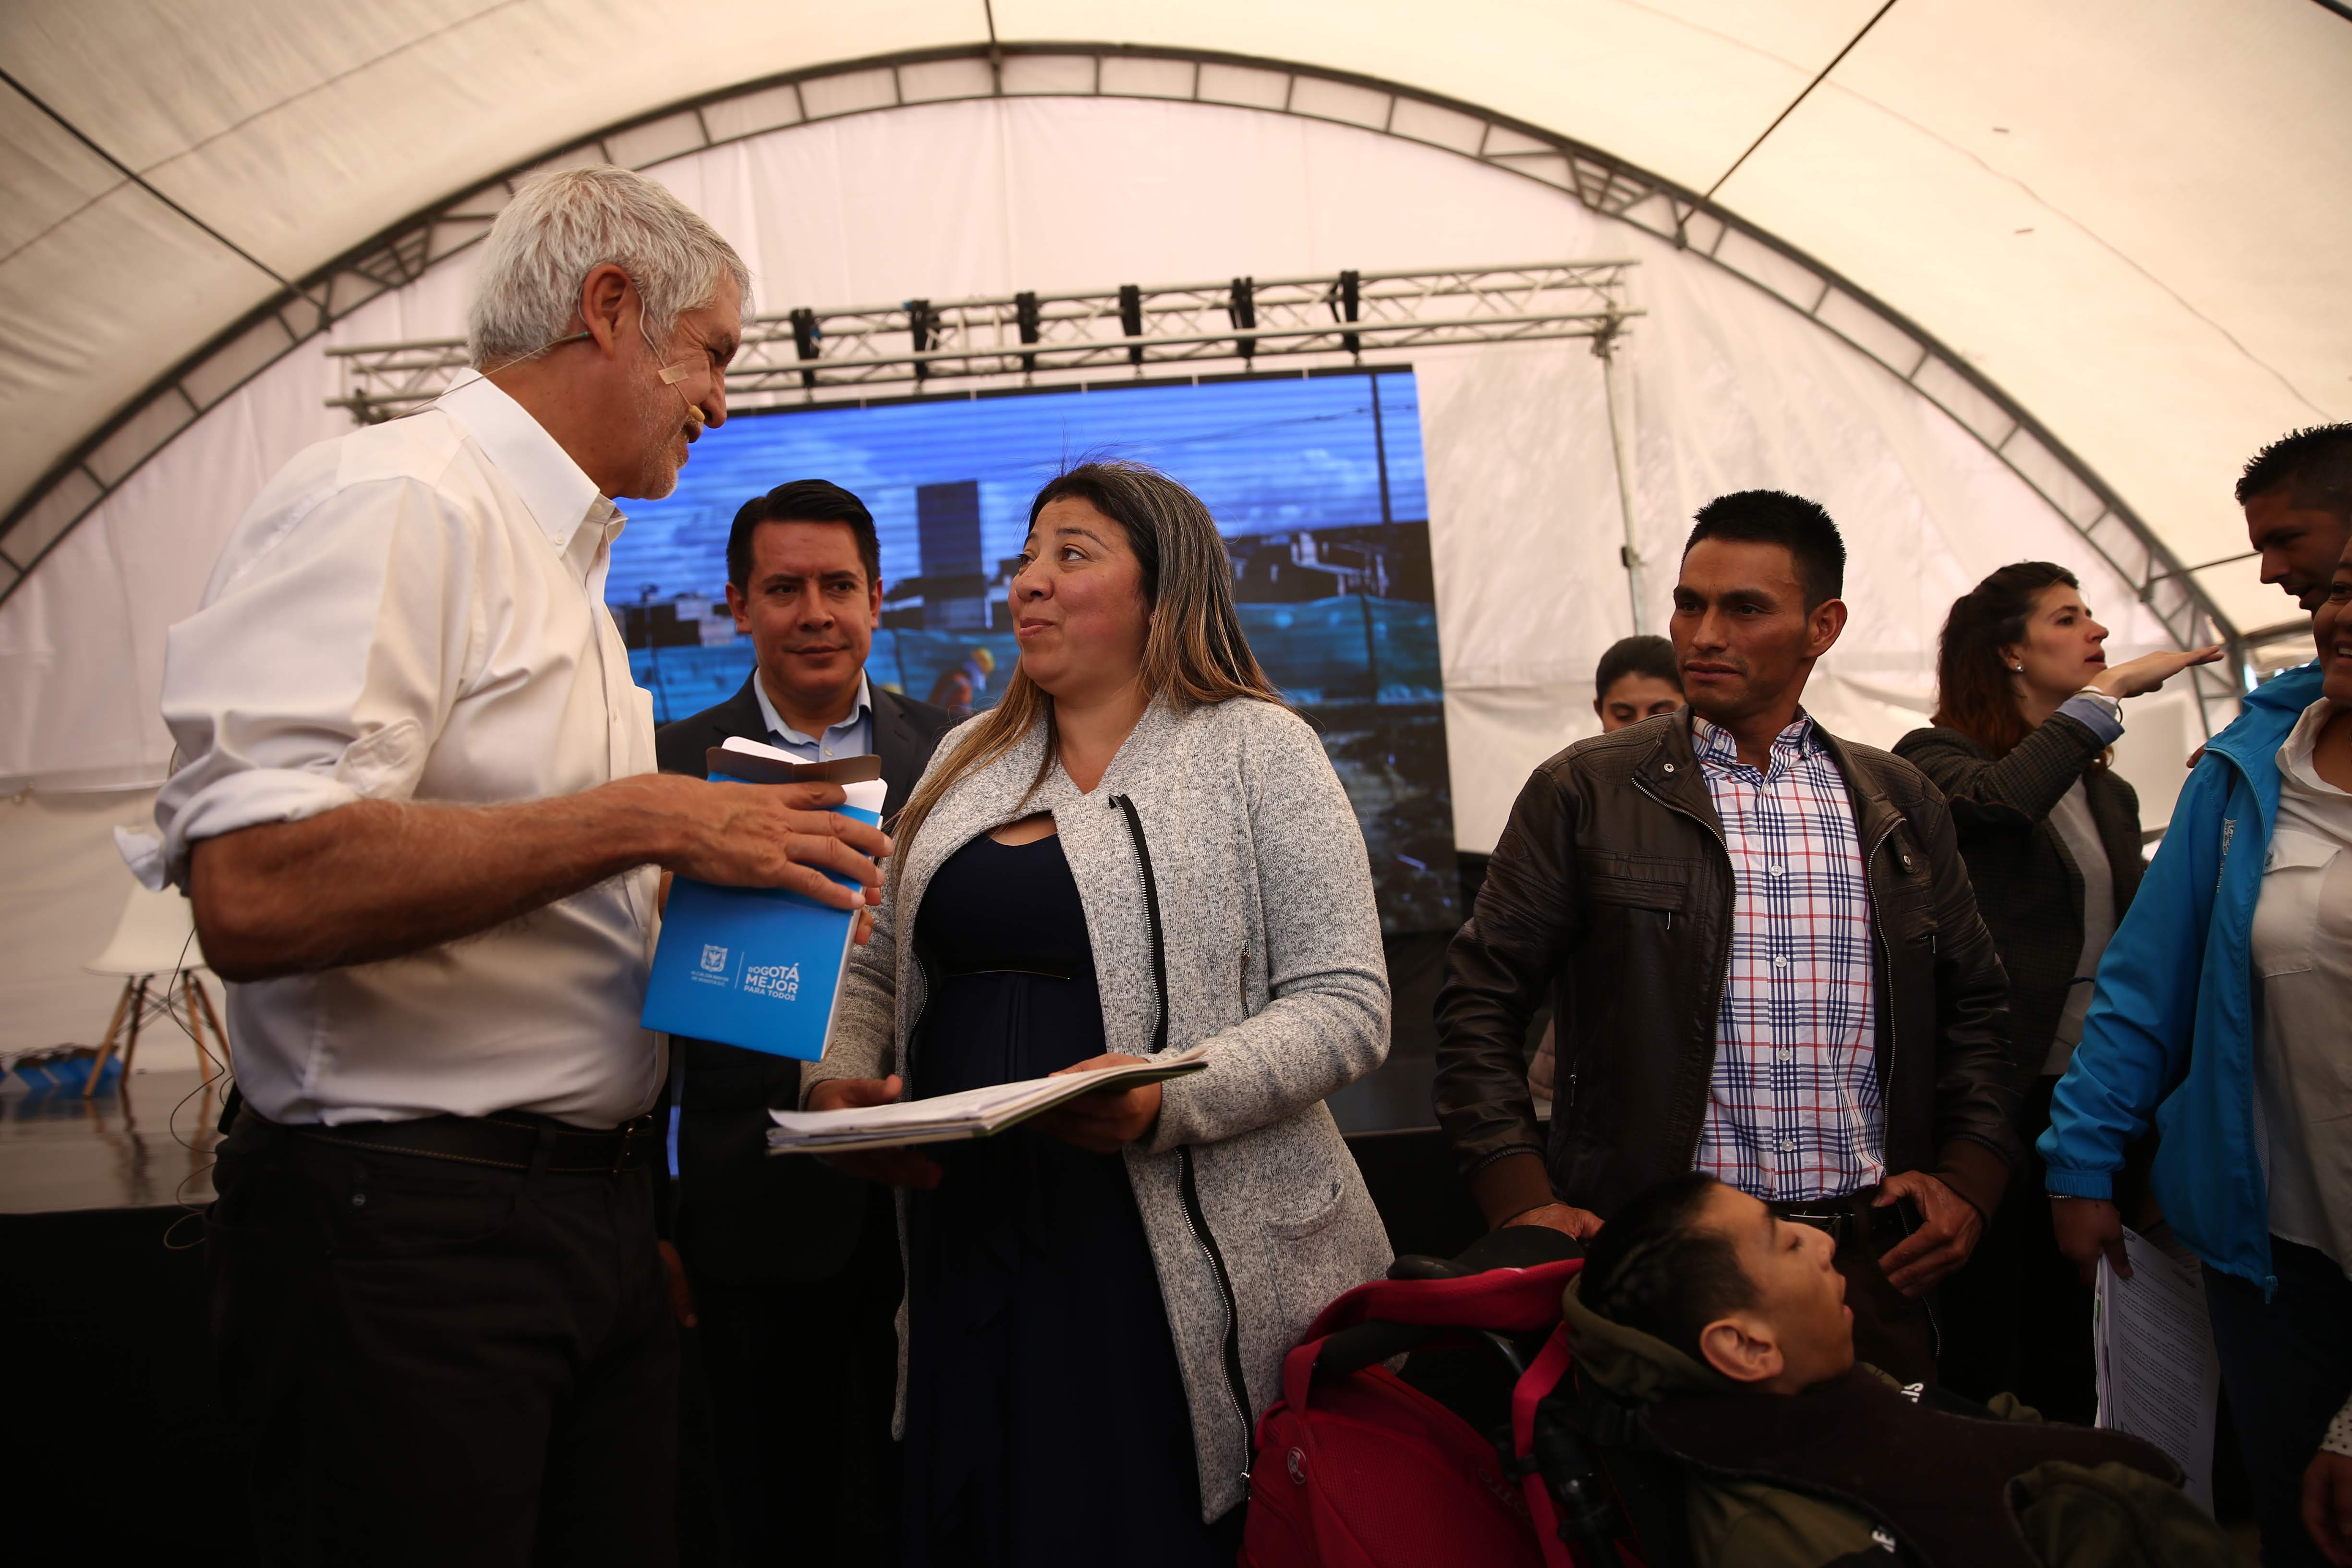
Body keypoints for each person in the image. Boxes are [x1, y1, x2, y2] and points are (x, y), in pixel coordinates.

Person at [152, 167, 892, 1566]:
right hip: (414, 1235)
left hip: (581, 1221)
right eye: (714, 355)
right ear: (612, 309)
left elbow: (531, 897)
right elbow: (256, 883)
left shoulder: (560, 571)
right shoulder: (393, 499)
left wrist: (728, 912)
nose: (721, 403)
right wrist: (654, 820)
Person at [803, 460, 1394, 1564]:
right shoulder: (961, 756)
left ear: (1161, 594)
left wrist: (1166, 1099)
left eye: (1069, 554)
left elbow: (1345, 1004)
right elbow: (871, 970)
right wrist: (835, 1084)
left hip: (1155, 1250)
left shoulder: (1257, 748)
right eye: (1024, 556)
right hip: (968, 1233)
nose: (1028, 581)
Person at [1434, 489, 2019, 1386]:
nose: (1702, 632)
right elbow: (1479, 999)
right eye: (1688, 602)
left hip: (1869, 1266)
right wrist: (1522, 1202)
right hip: (1661, 1263)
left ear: (1821, 627)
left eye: (1744, 608)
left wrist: (1969, 1179)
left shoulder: (1898, 803)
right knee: (1667, 1521)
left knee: (1876, 1516)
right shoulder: (1583, 793)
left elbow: (1974, 1004)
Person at [654, 479, 954, 1566]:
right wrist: (657, 1215)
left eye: (837, 585)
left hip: (939, 1210)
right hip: (749, 1216)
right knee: (772, 1513)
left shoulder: (965, 756)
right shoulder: (670, 769)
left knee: (931, 1502)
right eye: (783, 589)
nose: (814, 611)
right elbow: (634, 1028)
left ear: (878, 598)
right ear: (738, 604)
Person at [2044, 527, 2352, 1565]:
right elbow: (2146, 981)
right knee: (2296, 1523)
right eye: (2338, 590)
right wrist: (2082, 1159)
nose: (2336, 611)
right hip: (2275, 1254)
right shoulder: (2250, 770)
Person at [1892, 566, 2222, 1420]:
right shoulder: (1935, 761)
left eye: (2093, 621)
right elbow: (2002, 806)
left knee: (2086, 1333)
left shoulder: (2106, 793)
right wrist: (2107, 695)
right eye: (2068, 619)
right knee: (1989, 1337)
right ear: (2006, 651)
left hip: (2098, 1102)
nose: (2097, 636)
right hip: (1996, 1102)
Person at [1564, 1171, 2236, 1567]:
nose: (1824, 1241)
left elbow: (1963, 1433)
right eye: (1785, 1241)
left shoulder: (1836, 1397)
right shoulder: (1783, 1543)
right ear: (1745, 1347)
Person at [1528, 635, 1688, 1100]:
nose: (1640, 726)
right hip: (1590, 1048)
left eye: (1660, 710)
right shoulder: (1569, 796)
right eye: (1623, 713)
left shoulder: (1722, 798)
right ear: (1599, 709)